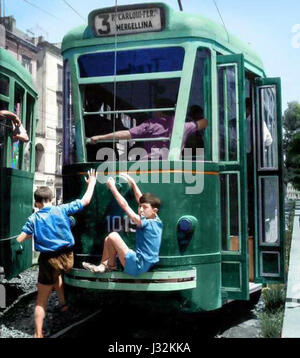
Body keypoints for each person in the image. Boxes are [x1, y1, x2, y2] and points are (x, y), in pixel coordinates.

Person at [16, 169, 97, 338]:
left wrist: (32, 232)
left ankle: (38, 334)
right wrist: (92, 183)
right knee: (57, 275)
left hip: (48, 260)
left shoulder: (34, 218)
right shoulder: (61, 209)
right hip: (67, 257)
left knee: (41, 300)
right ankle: (64, 304)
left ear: (37, 203)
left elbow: (20, 239)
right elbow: (85, 200)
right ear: (52, 200)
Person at [82, 173, 162, 276]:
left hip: (138, 266)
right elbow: (141, 200)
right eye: (140, 206)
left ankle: (110, 267)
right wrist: (133, 184)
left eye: (144, 207)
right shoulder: (156, 220)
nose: (141, 209)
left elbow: (125, 206)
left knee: (113, 235)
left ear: (154, 210)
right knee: (108, 240)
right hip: (144, 264)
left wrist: (113, 188)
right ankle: (104, 266)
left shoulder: (145, 223)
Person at [87, 99, 208, 159]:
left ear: (159, 111)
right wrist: (192, 117)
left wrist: (101, 137)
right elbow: (204, 123)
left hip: (150, 166)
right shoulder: (184, 126)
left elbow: (126, 134)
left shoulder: (151, 124)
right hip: (172, 166)